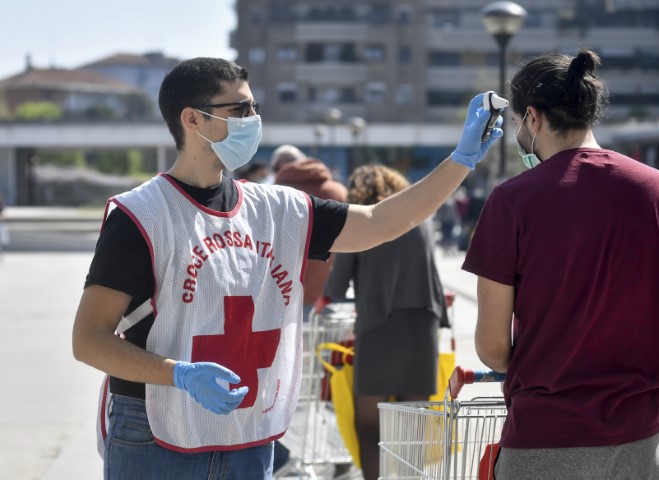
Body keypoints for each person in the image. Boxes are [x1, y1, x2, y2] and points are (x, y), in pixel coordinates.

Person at [71, 56, 503, 480]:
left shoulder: (277, 208)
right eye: (239, 109)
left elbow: (382, 222)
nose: (253, 119)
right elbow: (88, 340)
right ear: (193, 120)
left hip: (247, 432)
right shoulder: (142, 216)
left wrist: (460, 161)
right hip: (154, 430)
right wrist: (178, 374)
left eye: (254, 107)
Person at [462, 50, 659, 480]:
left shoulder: (511, 201)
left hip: (543, 438)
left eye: (519, 123)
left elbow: (493, 347)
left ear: (533, 119)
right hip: (640, 439)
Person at [323, 165, 449, 480]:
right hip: (423, 327)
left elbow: (337, 286)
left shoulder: (363, 219)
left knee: (369, 425)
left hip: (378, 329)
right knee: (413, 425)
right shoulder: (419, 217)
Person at [268, 144, 348, 472]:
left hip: (286, 303)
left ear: (278, 168)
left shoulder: (275, 196)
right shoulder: (336, 191)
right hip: (329, 304)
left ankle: (282, 453)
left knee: (279, 384)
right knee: (328, 383)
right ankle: (339, 448)